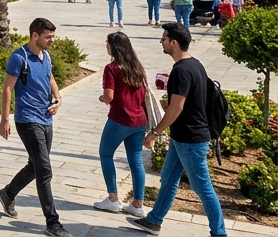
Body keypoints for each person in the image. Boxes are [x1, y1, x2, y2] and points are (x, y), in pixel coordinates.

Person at [129, 23, 228, 236]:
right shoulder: (195, 64)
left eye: (163, 38)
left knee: (203, 187)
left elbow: (177, 107)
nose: (161, 42)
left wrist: (154, 133)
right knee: (169, 178)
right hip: (182, 137)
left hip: (191, 139)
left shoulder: (181, 71)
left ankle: (219, 233)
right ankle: (154, 221)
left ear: (173, 42)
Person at [0, 17, 67, 237]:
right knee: (44, 170)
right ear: (35, 35)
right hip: (27, 119)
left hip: (46, 118)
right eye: (48, 37)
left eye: (53, 36)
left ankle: (8, 193)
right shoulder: (19, 57)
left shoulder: (45, 56)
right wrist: (4, 119)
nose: (52, 41)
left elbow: (50, 77)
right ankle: (52, 223)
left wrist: (58, 98)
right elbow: (7, 89)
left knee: (35, 166)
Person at [94, 31, 148, 217]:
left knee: (106, 153)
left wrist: (102, 98)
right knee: (136, 160)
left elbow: (109, 96)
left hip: (120, 119)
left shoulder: (112, 68)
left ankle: (113, 199)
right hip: (140, 120)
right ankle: (137, 204)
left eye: (107, 43)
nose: (106, 46)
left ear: (113, 47)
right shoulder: (138, 68)